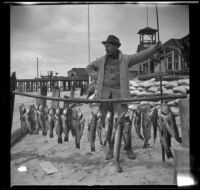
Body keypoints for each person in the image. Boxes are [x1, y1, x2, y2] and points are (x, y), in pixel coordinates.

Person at [86, 34, 162, 160]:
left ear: (116, 47)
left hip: (120, 95)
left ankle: (128, 148)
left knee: (125, 122)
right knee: (108, 123)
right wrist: (98, 77)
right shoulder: (101, 60)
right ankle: (111, 148)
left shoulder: (125, 59)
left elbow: (140, 56)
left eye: (108, 46)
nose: (106, 48)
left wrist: (154, 49)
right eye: (105, 46)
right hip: (104, 96)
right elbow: (88, 68)